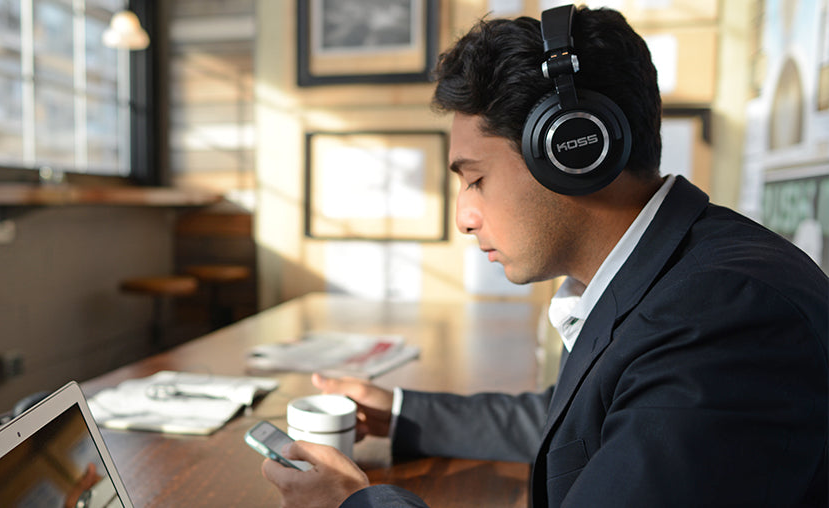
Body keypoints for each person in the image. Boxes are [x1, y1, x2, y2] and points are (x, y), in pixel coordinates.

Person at [261, 4, 828, 508]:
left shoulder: (726, 318)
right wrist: (403, 410)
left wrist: (353, 504)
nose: (464, 216)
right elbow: (582, 419)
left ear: (574, 150)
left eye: (476, 179)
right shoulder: (676, 276)